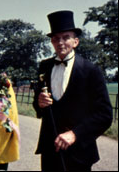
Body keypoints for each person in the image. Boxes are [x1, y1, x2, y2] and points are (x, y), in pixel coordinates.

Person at [32, 10, 113, 171]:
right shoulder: (45, 66)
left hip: (79, 152)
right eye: (55, 38)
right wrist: (39, 103)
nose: (60, 42)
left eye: (65, 37)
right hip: (50, 150)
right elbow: (38, 105)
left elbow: (104, 115)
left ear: (75, 41)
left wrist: (75, 134)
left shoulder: (91, 70)